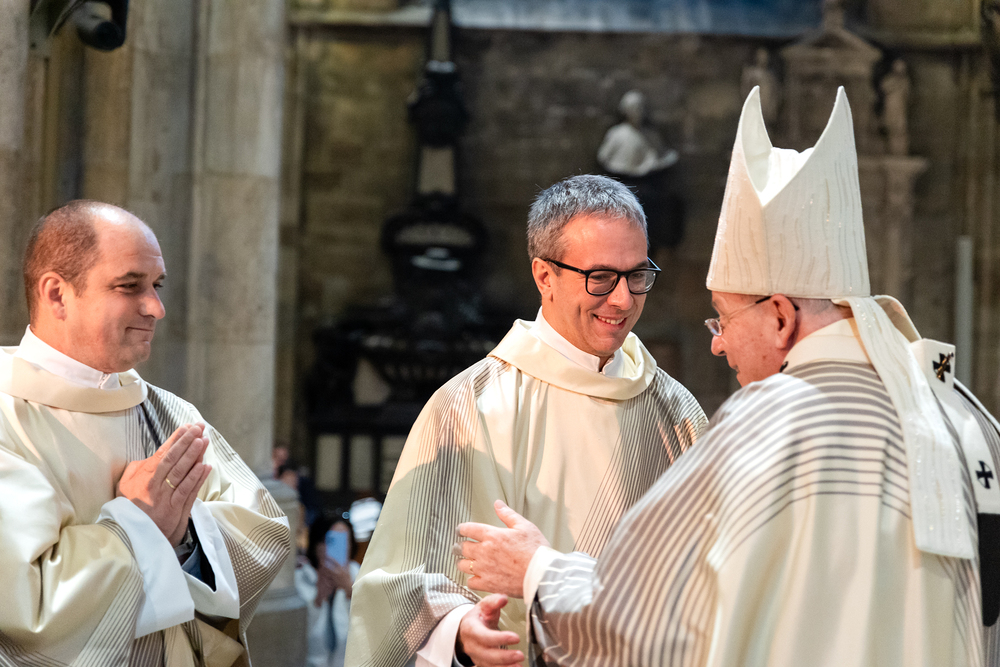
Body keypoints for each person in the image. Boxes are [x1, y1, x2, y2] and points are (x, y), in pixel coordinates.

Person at [456, 88, 1000, 666]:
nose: (717, 342)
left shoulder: (770, 422)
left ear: (781, 318)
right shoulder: (967, 415)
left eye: (724, 317)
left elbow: (653, 623)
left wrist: (538, 570)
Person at [345, 175, 708, 667]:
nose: (624, 299)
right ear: (544, 276)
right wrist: (457, 629)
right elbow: (396, 582)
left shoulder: (676, 412)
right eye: (601, 277)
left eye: (637, 274)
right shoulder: (468, 408)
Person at [0, 200, 289, 667]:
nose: (156, 307)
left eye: (157, 285)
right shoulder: (7, 415)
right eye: (129, 286)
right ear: (56, 294)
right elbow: (23, 610)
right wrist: (138, 525)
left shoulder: (171, 414)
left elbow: (264, 533)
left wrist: (187, 538)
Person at [296, 511, 360, 667]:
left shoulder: (359, 575)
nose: (339, 549)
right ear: (317, 545)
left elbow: (370, 632)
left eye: (344, 542)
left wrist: (351, 591)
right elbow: (295, 638)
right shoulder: (300, 578)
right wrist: (318, 600)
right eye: (331, 541)